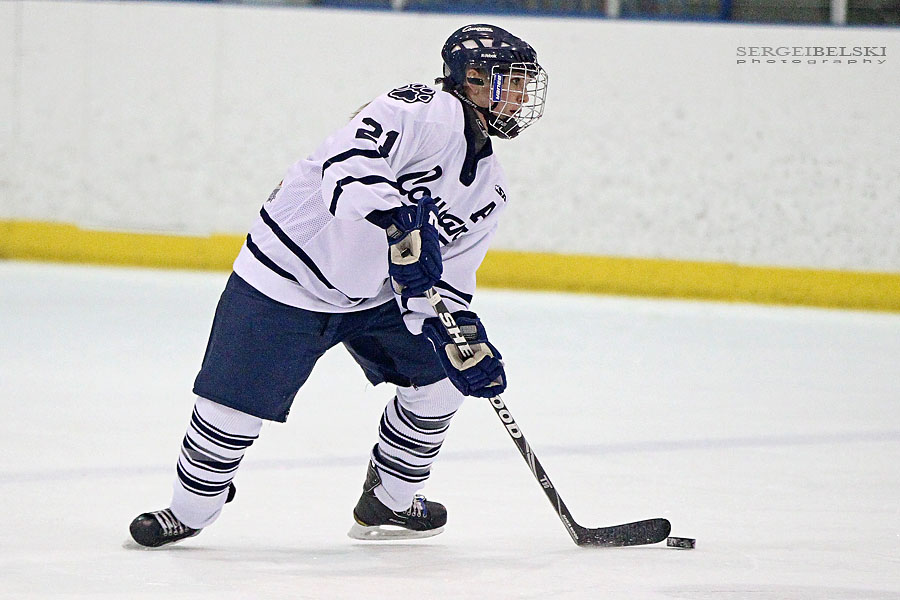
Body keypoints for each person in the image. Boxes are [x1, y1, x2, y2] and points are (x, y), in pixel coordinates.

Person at [129, 23, 548, 547]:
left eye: (524, 85)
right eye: (511, 82)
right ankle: (190, 511)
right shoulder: (416, 110)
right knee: (229, 412)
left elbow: (445, 281)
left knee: (442, 382)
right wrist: (394, 217)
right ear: (472, 80)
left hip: (375, 298)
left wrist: (460, 335)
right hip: (288, 276)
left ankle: (389, 500)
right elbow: (347, 160)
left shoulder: (490, 188)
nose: (520, 98)